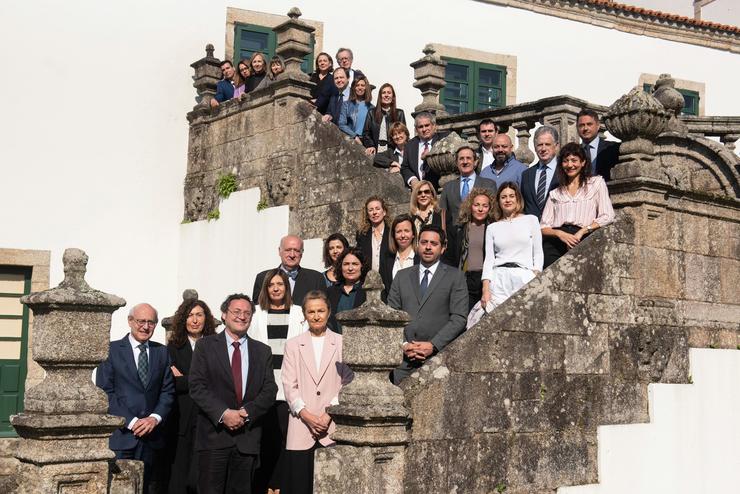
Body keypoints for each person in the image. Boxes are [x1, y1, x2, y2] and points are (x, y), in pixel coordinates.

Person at [188, 294, 277, 494]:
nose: (242, 317)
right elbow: (197, 386)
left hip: (247, 439)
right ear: (224, 315)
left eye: (247, 313)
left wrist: (247, 413)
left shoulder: (263, 351)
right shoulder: (205, 346)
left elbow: (270, 390)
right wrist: (224, 413)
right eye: (236, 312)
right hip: (214, 438)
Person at [96, 303, 175, 494]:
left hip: (152, 438)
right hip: (122, 437)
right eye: (141, 321)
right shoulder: (110, 350)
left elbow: (167, 391)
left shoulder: (162, 352)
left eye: (151, 322)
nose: (145, 326)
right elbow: (105, 392)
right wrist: (132, 422)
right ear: (130, 321)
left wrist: (154, 418)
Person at [281, 291, 353, 494]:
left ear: (329, 312)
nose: (316, 316)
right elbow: (289, 384)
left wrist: (327, 413)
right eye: (310, 311)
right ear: (304, 314)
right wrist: (307, 416)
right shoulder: (293, 345)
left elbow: (347, 382)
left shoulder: (341, 342)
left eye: (320, 310)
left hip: (332, 427)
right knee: (300, 485)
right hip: (301, 426)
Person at [387, 225, 468, 384]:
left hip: (438, 360)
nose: (428, 247)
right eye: (424, 242)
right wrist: (404, 345)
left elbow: (459, 318)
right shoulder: (401, 276)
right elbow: (391, 315)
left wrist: (433, 345)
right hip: (403, 361)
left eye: (434, 243)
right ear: (417, 245)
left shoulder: (455, 277)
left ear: (443, 248)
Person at [250, 270, 307, 494]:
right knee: (263, 439)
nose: (275, 288)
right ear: (265, 288)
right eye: (271, 284)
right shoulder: (256, 314)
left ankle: (278, 484)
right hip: (262, 388)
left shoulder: (298, 313)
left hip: (288, 388)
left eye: (280, 284)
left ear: (287, 287)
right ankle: (262, 485)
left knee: (285, 438)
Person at [166, 299, 218, 494]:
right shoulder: (172, 348)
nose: (194, 320)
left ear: (206, 318)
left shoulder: (217, 346)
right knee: (179, 474)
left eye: (199, 315)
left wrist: (186, 379)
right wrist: (202, 380)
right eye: (190, 315)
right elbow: (172, 383)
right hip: (182, 418)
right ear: (183, 319)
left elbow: (219, 382)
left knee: (204, 474)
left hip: (209, 417)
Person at [540, 143, 615, 267]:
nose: (570, 165)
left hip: (583, 237)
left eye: (574, 160)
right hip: (556, 241)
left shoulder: (596, 183)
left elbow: (608, 215)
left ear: (583, 162)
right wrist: (560, 234)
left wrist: (583, 231)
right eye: (566, 161)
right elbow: (543, 226)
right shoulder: (556, 192)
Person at [481, 183, 544, 310]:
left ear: (518, 199)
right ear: (498, 201)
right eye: (503, 197)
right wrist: (485, 289)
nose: (508, 200)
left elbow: (538, 252)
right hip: (498, 279)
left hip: (524, 276)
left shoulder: (531, 220)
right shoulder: (492, 228)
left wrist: (536, 274)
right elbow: (489, 260)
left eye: (511, 196)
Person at [443, 188, 497, 311]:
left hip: (486, 280)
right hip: (464, 279)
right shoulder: (459, 229)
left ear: (490, 209)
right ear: (470, 206)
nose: (480, 209)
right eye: (476, 205)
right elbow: (449, 257)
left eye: (485, 206)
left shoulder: (493, 229)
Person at [252, 234, 326, 305]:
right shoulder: (262, 278)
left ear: (302, 253)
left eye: (296, 250)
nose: (292, 255)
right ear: (279, 251)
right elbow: (258, 310)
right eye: (288, 250)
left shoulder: (316, 279)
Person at [439, 145, 497, 227]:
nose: (465, 162)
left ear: (475, 162)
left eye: (468, 158)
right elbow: (442, 214)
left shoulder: (489, 184)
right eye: (461, 158)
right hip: (454, 235)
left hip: (480, 231)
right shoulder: (448, 187)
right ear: (456, 163)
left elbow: (494, 212)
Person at [521, 125, 561, 220]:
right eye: (540, 145)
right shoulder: (527, 174)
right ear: (535, 147)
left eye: (547, 144)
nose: (543, 149)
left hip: (556, 229)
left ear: (556, 146)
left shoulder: (564, 171)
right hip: (532, 230)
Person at [401, 112, 448, 190]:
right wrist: (412, 179)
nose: (424, 129)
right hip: (417, 192)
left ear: (434, 126)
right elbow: (405, 167)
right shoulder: (410, 145)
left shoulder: (443, 139)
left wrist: (430, 155)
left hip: (438, 189)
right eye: (420, 127)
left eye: (427, 125)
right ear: (416, 129)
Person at [327, 247, 368, 333]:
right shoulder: (330, 292)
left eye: (355, 264)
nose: (350, 268)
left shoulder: (368, 291)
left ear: (362, 266)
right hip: (335, 343)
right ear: (340, 266)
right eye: (346, 264)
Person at [379, 214, 419, 302]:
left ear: (413, 234)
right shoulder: (387, 259)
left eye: (406, 231)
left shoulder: (420, 259)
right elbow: (383, 290)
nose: (403, 235)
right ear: (393, 235)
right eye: (399, 231)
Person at [362, 83, 406, 155]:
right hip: (375, 151)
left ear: (393, 97)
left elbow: (403, 134)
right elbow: (366, 133)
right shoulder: (371, 112)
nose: (386, 95)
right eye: (383, 93)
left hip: (393, 151)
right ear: (380, 96)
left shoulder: (399, 113)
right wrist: (370, 145)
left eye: (389, 93)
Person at [577, 109, 620, 181]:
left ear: (598, 126)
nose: (585, 128)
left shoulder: (612, 148)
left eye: (589, 124)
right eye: (581, 125)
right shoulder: (574, 152)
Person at [355, 196, 391, 274]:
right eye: (371, 210)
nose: (374, 212)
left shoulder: (392, 232)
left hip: (390, 280)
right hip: (369, 282)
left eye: (377, 209)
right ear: (367, 214)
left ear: (384, 212)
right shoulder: (362, 235)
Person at [338, 75, 374, 145]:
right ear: (354, 88)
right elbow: (341, 124)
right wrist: (355, 136)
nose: (360, 88)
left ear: (366, 88)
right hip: (352, 140)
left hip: (367, 142)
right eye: (357, 85)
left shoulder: (372, 108)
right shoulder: (346, 105)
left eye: (362, 85)